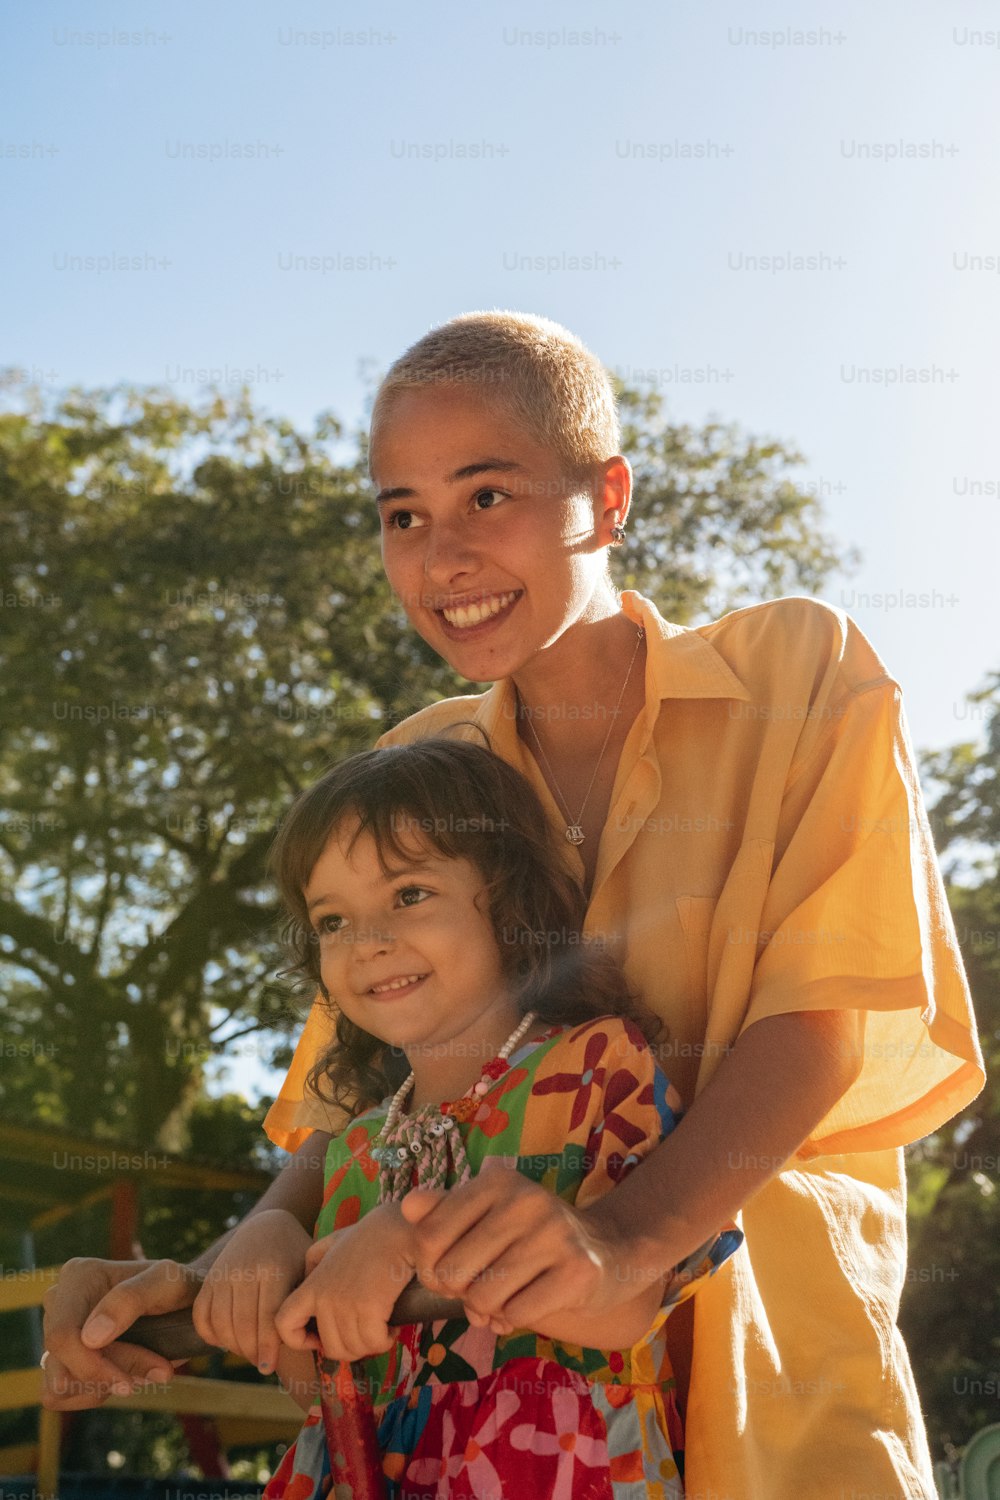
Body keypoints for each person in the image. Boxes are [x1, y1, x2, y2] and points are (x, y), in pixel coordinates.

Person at [43, 312, 985, 1500]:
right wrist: (245, 1252)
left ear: (607, 494)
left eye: (487, 497)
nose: (441, 560)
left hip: (764, 1395)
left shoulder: (795, 670)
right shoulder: (414, 760)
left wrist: (621, 1240)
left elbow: (816, 1023)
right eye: (402, 516)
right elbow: (365, 1093)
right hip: (458, 1435)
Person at [249, 735, 741, 1497]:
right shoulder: (351, 1149)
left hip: (550, 1469)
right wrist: (274, 1307)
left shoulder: (595, 1066)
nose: (368, 944)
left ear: (510, 900)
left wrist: (407, 1238)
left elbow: (623, 1306)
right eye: (332, 922)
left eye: (408, 895)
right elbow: (317, 1390)